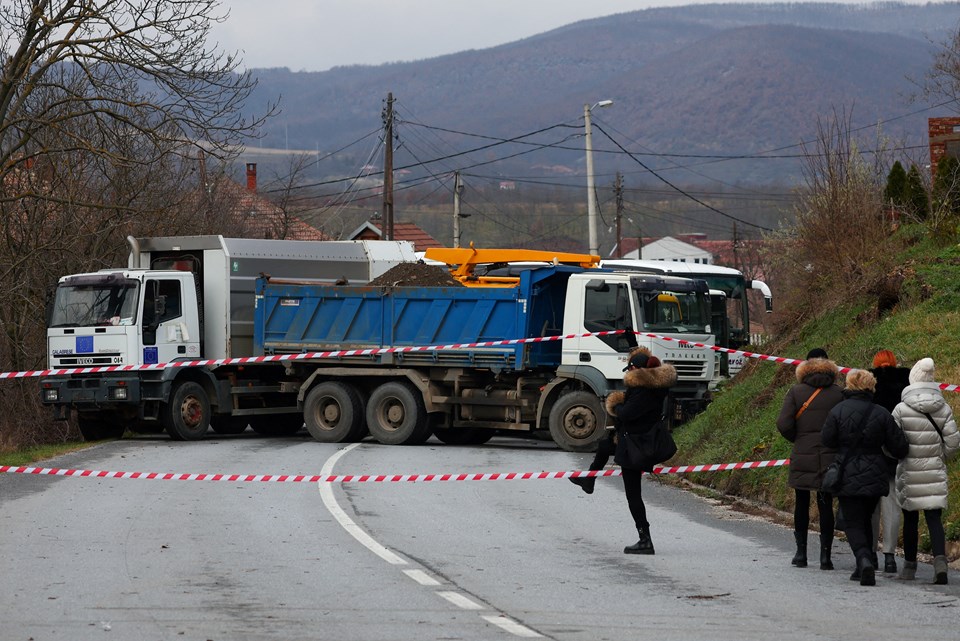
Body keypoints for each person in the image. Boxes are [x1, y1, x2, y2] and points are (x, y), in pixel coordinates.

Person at [571, 346, 677, 555]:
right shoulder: (654, 385)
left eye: (630, 368)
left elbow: (627, 414)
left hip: (637, 445)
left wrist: (615, 404)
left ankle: (645, 539)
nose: (627, 372)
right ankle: (589, 480)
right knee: (604, 446)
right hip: (636, 439)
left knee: (633, 495)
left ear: (637, 370)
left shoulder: (643, 390)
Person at [821, 369, 908, 586]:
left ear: (849, 385)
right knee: (867, 518)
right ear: (871, 386)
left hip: (847, 472)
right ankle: (864, 564)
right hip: (875, 472)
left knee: (853, 522)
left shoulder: (837, 411)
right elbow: (899, 446)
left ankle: (863, 559)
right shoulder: (881, 413)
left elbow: (827, 440)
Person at [891, 357, 960, 584]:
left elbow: (892, 442)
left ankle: (910, 567)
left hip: (909, 471)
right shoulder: (944, 407)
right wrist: (940, 457)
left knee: (910, 518)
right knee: (934, 519)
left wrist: (897, 456)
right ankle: (940, 563)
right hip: (934, 469)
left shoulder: (901, 409)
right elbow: (953, 444)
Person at [776, 347, 844, 570]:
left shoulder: (796, 392)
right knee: (825, 504)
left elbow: (783, 424)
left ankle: (801, 553)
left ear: (805, 366)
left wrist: (800, 439)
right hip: (830, 455)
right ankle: (826, 557)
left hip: (802, 453)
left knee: (801, 502)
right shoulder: (838, 393)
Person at [868, 349, 911, 574]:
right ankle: (890, 556)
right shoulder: (905, 385)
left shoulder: (869, 385)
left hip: (871, 455)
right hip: (893, 454)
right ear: (894, 363)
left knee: (872, 507)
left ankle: (871, 554)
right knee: (892, 506)